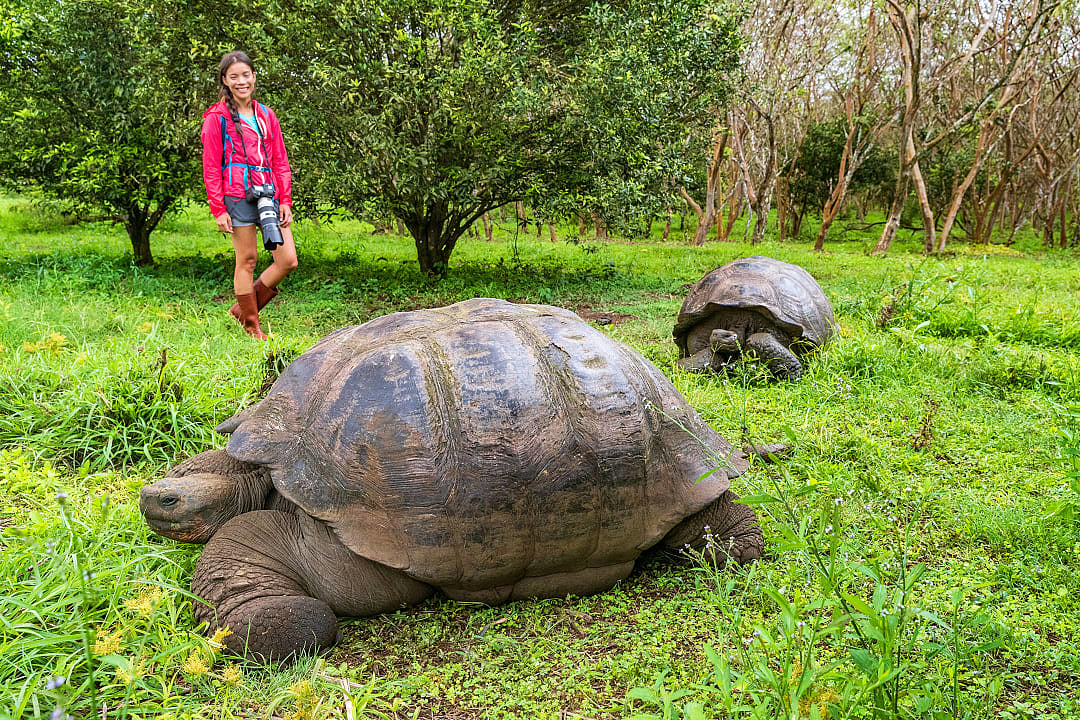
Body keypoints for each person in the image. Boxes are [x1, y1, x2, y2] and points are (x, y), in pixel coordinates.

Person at [201, 50, 298, 340]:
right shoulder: (216, 119)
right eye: (234, 77)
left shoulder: (266, 115)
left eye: (246, 75)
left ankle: (240, 310)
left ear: (254, 77)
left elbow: (280, 160)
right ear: (225, 81)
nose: (241, 81)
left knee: (287, 259)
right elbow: (210, 167)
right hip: (236, 194)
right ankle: (251, 325)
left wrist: (285, 199)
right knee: (247, 260)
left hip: (268, 193)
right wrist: (218, 209)